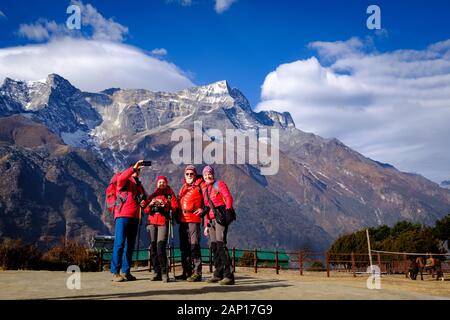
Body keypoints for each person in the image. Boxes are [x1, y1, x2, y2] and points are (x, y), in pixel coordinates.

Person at [110, 160, 147, 282]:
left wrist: (143, 202)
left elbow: (143, 199)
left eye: (138, 170)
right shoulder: (123, 181)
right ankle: (115, 272)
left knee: (130, 245)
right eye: (135, 170)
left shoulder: (139, 186)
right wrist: (133, 167)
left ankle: (126, 272)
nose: (137, 172)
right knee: (119, 243)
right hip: (122, 215)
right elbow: (121, 178)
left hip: (135, 217)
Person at [202, 165, 235, 285]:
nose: (207, 176)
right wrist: (206, 224)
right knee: (214, 246)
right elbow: (206, 208)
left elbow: (228, 197)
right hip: (210, 220)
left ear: (213, 174)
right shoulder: (205, 189)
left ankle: (229, 275)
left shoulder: (219, 184)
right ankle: (218, 273)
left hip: (220, 219)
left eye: (209, 174)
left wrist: (227, 211)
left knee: (221, 244)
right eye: (205, 175)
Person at [144, 175, 179, 282]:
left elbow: (175, 207)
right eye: (159, 182)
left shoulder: (170, 195)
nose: (161, 184)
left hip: (163, 223)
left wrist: (165, 205)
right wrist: (150, 204)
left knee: (160, 248)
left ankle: (164, 272)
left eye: (163, 182)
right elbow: (145, 210)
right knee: (153, 248)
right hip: (151, 223)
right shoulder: (153, 195)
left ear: (166, 183)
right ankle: (156, 272)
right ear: (157, 184)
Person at [176, 165, 206, 282]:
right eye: (187, 174)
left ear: (195, 174)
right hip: (183, 219)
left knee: (194, 246)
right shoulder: (183, 187)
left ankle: (197, 273)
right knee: (184, 247)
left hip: (193, 219)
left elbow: (207, 199)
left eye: (191, 174)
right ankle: (186, 272)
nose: (189, 176)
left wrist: (203, 209)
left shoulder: (200, 185)